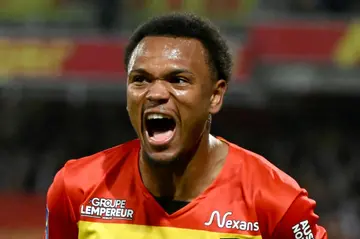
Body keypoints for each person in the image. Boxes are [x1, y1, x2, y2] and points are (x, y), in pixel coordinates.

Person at [45, 12, 328, 239]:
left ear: (215, 96)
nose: (155, 93)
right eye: (140, 79)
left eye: (178, 80)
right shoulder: (76, 189)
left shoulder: (276, 203)